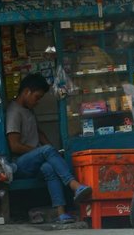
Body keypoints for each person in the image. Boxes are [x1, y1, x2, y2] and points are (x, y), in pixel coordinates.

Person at [6, 73, 92, 224]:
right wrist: (44, 151)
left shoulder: (28, 109)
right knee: (46, 151)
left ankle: (61, 214)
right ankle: (74, 185)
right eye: (37, 97)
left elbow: (38, 132)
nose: (37, 101)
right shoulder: (14, 112)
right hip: (19, 165)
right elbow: (14, 146)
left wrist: (52, 151)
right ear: (26, 92)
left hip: (34, 162)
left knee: (49, 168)